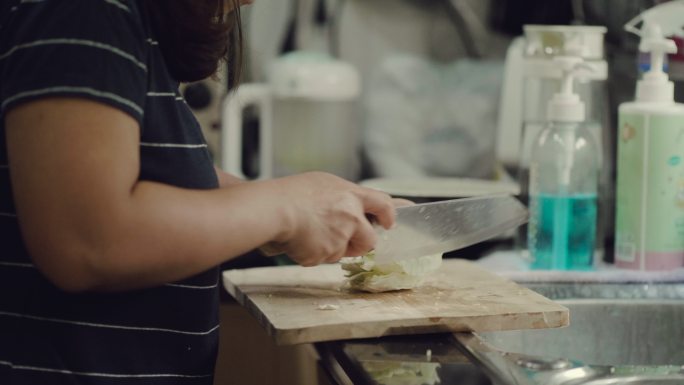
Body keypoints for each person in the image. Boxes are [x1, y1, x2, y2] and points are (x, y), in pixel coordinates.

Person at [0, 1, 399, 384]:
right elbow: (87, 238)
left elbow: (145, 173)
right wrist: (286, 208)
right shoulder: (86, 10)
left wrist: (288, 208)